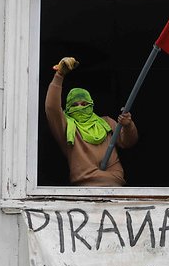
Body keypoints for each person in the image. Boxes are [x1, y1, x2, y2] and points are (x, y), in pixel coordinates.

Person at [44, 56, 138, 186]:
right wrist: (59, 75)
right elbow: (51, 108)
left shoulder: (106, 122)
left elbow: (128, 142)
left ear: (91, 105)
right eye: (75, 105)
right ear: (68, 108)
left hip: (115, 186)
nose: (80, 107)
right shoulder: (66, 126)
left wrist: (128, 126)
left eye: (84, 104)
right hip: (85, 189)